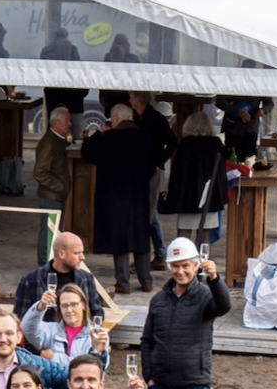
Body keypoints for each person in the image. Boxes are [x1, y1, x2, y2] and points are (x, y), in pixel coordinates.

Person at [139, 237, 230, 389]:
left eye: (186, 266)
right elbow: (147, 341)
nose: (180, 271)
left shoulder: (206, 296)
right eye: (175, 266)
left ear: (196, 265)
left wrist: (215, 280)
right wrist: (149, 377)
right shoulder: (158, 300)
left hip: (193, 386)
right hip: (161, 386)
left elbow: (223, 306)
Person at [81, 104, 156, 293]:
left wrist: (98, 133)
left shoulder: (110, 137)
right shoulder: (145, 137)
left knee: (119, 237)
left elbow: (88, 153)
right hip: (138, 194)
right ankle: (146, 280)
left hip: (114, 195)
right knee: (140, 236)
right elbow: (153, 165)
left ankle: (123, 283)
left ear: (115, 119)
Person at [163, 109, 230, 245]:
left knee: (183, 233)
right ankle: (202, 263)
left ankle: (183, 260)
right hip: (209, 195)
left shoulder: (185, 143)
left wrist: (172, 194)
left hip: (186, 197)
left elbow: (177, 172)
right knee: (204, 234)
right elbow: (221, 169)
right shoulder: (215, 143)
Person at [12, 232, 105, 327]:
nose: (82, 257)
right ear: (61, 254)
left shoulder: (86, 278)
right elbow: (20, 318)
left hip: (77, 339)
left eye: (82, 252)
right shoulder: (30, 280)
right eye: (77, 253)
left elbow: (97, 312)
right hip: (41, 340)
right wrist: (39, 307)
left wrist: (90, 334)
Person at [128, 91, 176, 269]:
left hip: (152, 171)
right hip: (139, 171)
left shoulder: (155, 118)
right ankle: (159, 254)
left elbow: (172, 143)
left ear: (139, 99)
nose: (129, 99)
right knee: (148, 212)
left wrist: (158, 161)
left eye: (131, 96)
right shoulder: (135, 117)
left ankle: (151, 256)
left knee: (148, 213)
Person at [32, 107, 73, 263]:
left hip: (56, 196)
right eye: (66, 121)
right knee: (48, 233)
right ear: (56, 123)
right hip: (51, 196)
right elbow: (39, 172)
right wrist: (60, 186)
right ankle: (43, 266)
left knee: (53, 232)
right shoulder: (49, 143)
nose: (70, 124)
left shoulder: (57, 140)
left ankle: (50, 264)